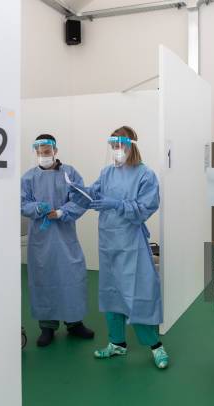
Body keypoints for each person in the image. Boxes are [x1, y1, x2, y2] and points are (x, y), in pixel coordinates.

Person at [68, 126, 169, 369]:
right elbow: (93, 195)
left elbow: (147, 206)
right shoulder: (106, 173)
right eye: (113, 146)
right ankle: (117, 343)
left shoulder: (145, 175)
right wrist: (78, 192)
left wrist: (117, 204)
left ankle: (156, 346)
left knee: (138, 293)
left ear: (131, 145)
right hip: (108, 243)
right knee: (112, 293)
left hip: (131, 243)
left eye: (120, 145)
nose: (116, 150)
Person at [21, 134, 94, 347]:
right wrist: (38, 209)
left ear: (55, 151)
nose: (43, 156)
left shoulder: (69, 174)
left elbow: (81, 199)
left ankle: (74, 323)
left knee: (71, 276)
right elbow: (21, 202)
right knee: (44, 279)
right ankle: (47, 327)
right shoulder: (28, 178)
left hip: (65, 237)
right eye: (39, 152)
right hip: (41, 241)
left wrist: (62, 212)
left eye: (47, 152)